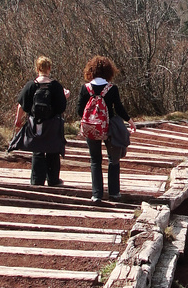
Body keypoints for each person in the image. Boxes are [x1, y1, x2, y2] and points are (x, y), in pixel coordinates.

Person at [77, 56, 135, 203]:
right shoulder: (112, 88)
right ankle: (114, 193)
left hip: (91, 128)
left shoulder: (85, 88)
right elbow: (119, 108)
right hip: (109, 128)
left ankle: (96, 194)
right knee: (113, 160)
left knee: (95, 160)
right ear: (109, 71)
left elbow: (79, 110)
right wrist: (129, 120)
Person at [14, 56, 70, 187]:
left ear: (37, 68)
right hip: (52, 123)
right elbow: (61, 107)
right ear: (49, 68)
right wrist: (65, 96)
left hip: (35, 122)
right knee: (53, 149)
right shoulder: (56, 86)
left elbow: (21, 104)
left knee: (37, 150)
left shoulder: (31, 85)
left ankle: (37, 180)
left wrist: (18, 120)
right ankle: (53, 179)